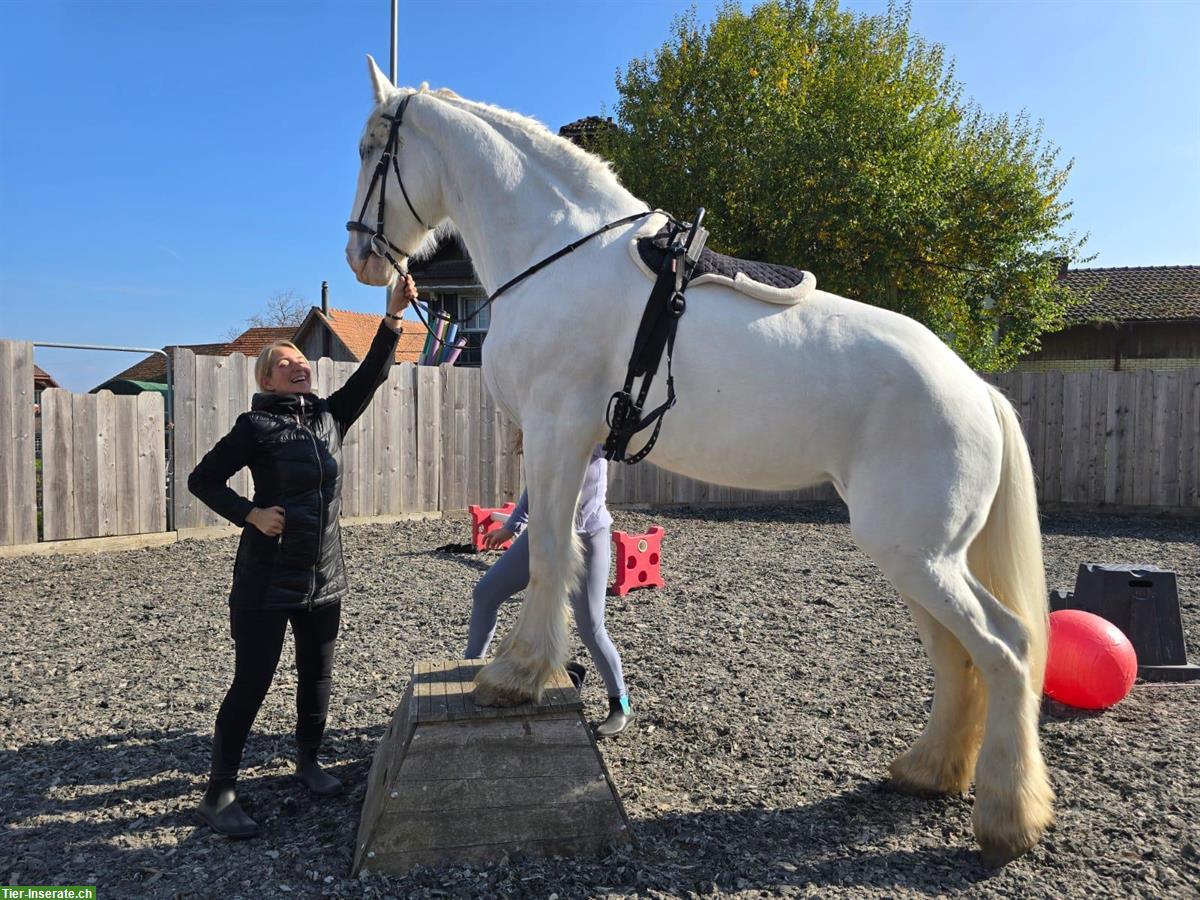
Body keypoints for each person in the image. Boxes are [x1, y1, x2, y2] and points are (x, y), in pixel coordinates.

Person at [188, 275, 417, 838]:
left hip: (325, 575)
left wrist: (391, 318)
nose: (300, 364)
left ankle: (308, 761)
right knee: (252, 682)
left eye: (302, 359)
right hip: (266, 580)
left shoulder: (328, 418)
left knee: (318, 675)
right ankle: (218, 794)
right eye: (286, 361)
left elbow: (371, 375)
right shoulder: (255, 426)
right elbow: (202, 479)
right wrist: (250, 515)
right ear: (266, 377)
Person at [466, 443, 633, 738]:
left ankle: (620, 703)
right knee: (485, 593)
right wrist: (513, 525)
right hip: (543, 532)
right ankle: (469, 668)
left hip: (586, 537)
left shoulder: (590, 430)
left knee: (591, 627)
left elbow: (616, 448)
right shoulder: (545, 427)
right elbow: (537, 484)